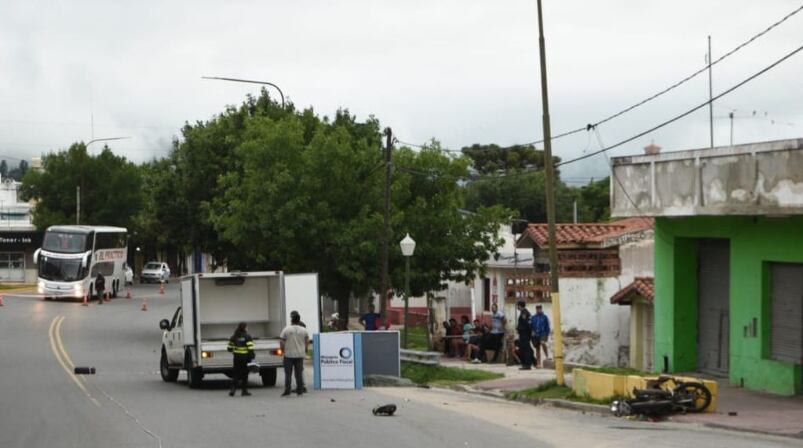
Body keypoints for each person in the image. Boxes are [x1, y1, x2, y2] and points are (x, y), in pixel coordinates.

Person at [280, 310, 309, 397]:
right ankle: (300, 391)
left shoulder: (286, 329)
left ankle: (287, 390)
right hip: (300, 355)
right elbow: (307, 341)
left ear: (292, 320)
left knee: (288, 373)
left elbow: (282, 341)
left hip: (289, 355)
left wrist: (282, 350)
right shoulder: (304, 330)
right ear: (299, 320)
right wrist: (305, 349)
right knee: (299, 373)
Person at [227, 322, 255, 397]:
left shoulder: (234, 337)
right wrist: (252, 357)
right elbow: (250, 349)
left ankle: (233, 389)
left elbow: (229, 348)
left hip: (237, 358)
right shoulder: (248, 337)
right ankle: (244, 391)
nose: (247, 328)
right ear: (244, 328)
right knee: (245, 375)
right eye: (247, 327)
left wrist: (235, 351)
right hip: (245, 359)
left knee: (236, 374)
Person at [516, 300, 533, 370]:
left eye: (518, 305)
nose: (517, 307)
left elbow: (525, 324)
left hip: (524, 334)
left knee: (525, 349)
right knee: (524, 349)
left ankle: (527, 364)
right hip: (524, 334)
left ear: (520, 305)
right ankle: (525, 364)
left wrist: (518, 328)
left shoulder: (524, 313)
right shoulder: (524, 312)